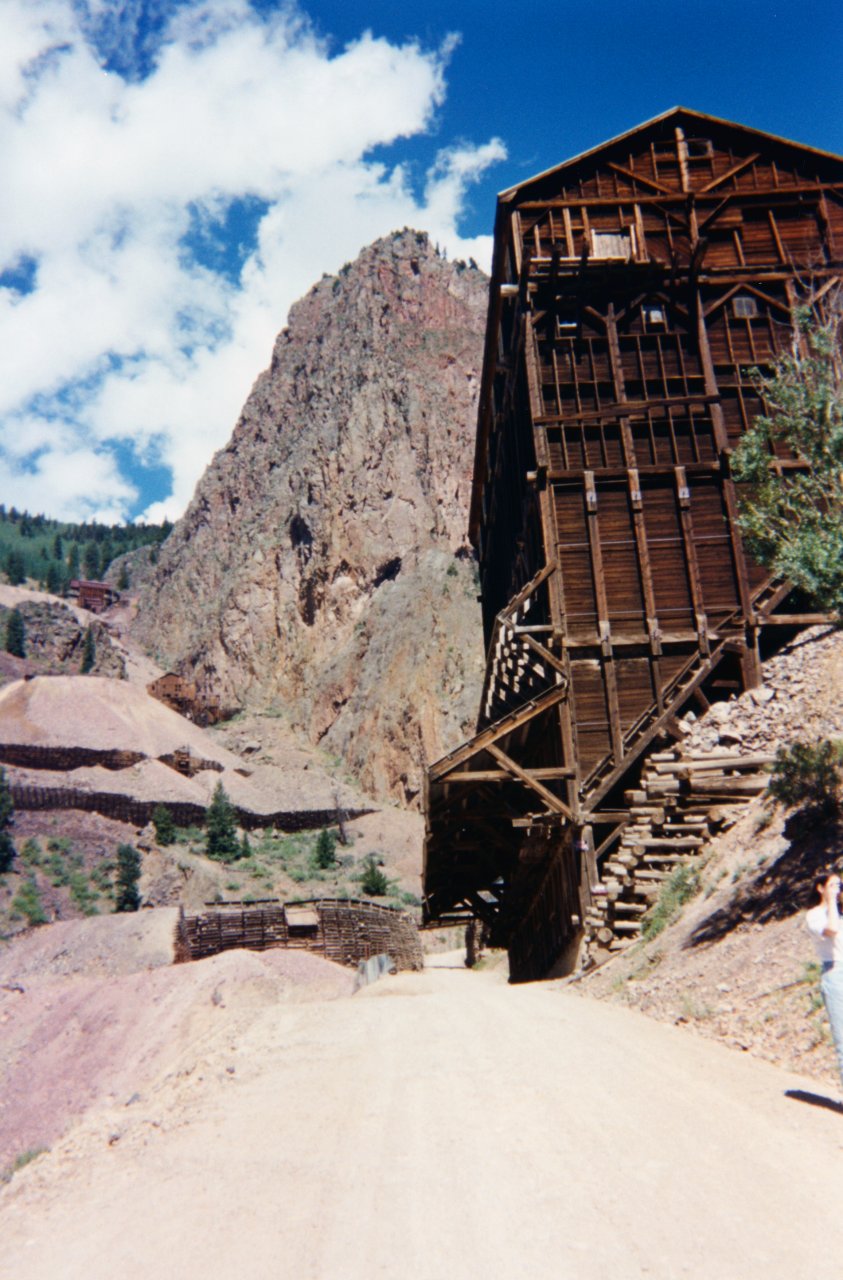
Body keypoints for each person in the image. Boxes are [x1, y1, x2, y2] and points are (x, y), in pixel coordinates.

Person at [806, 870, 843, 1092]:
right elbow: (831, 931)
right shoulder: (814, 915)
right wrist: (830, 904)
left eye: (839, 886)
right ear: (820, 888)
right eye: (832, 886)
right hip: (835, 973)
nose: (837, 890)